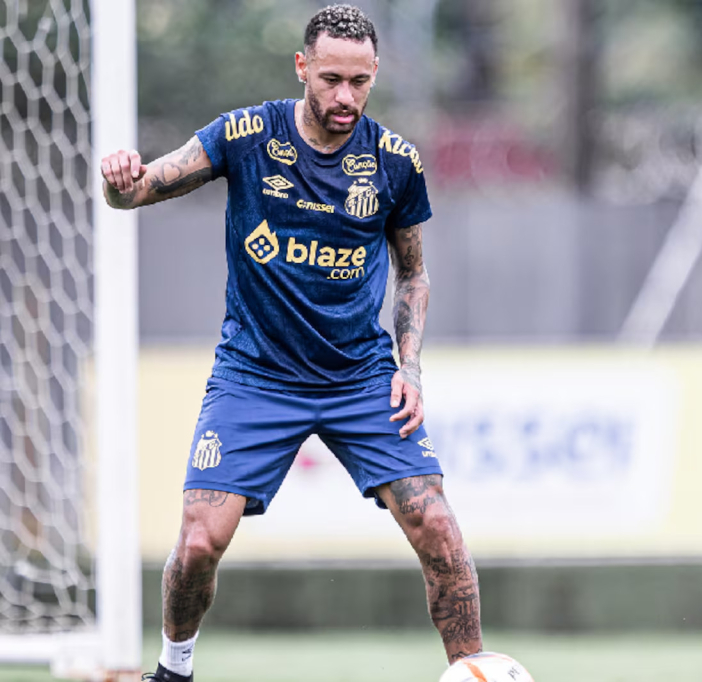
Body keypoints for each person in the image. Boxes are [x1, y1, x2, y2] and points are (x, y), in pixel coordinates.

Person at [100, 5, 482, 680]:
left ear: (375, 73)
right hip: (254, 375)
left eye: (360, 81)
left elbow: (414, 273)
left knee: (439, 529)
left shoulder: (394, 162)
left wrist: (411, 368)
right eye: (331, 79)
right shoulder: (245, 135)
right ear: (302, 67)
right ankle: (174, 669)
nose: (346, 97)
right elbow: (135, 195)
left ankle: (473, 672)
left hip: (360, 377)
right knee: (198, 542)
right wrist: (120, 182)